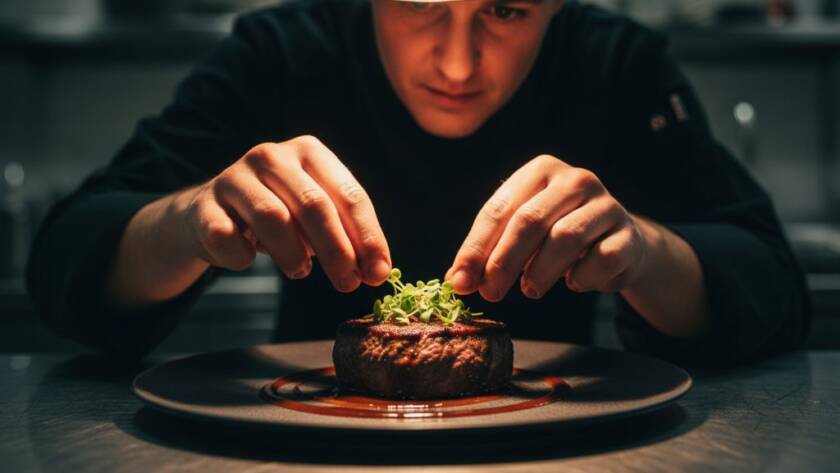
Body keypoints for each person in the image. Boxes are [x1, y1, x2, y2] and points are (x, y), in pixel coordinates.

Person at [27, 0, 810, 365]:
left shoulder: (617, 65)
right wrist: (186, 222)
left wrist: (645, 250)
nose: (459, 64)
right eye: (421, 3)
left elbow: (773, 285)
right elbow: (66, 258)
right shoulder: (283, 51)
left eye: (506, 11)